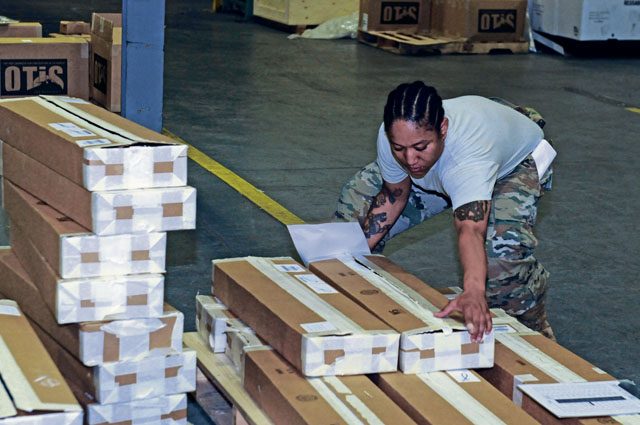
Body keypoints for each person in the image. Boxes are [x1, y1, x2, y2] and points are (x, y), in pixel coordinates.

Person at [334, 81, 556, 341]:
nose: (409, 160)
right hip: (446, 168)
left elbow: (470, 230)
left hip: (511, 164)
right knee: (356, 204)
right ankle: (355, 299)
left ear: (443, 129)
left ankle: (535, 332)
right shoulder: (392, 136)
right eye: (399, 149)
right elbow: (394, 194)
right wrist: (352, 252)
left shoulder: (469, 160)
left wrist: (473, 292)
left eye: (420, 147)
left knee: (502, 260)